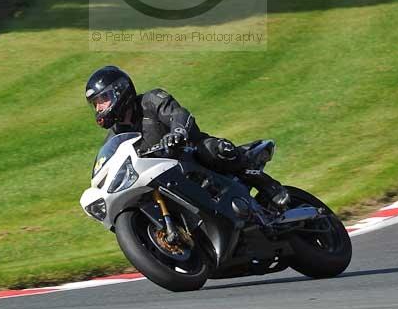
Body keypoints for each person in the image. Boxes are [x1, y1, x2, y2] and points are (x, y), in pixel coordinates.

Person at [85, 64, 289, 208]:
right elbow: (108, 163)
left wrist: (178, 132)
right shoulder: (115, 136)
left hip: (189, 153)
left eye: (102, 100)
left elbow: (177, 113)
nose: (99, 108)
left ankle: (268, 185)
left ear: (120, 91)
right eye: (95, 104)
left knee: (212, 149)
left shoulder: (150, 100)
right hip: (161, 177)